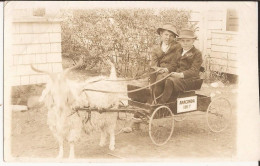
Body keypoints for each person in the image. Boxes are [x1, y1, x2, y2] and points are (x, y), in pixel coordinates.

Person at [157, 28, 203, 104]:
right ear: (180, 41)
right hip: (178, 79)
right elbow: (173, 66)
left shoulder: (197, 53)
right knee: (161, 77)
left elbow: (194, 71)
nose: (185, 43)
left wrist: (180, 75)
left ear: (193, 41)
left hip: (190, 80)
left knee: (170, 80)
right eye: (183, 41)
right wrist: (166, 70)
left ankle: (161, 103)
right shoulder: (179, 51)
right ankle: (155, 100)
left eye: (188, 41)